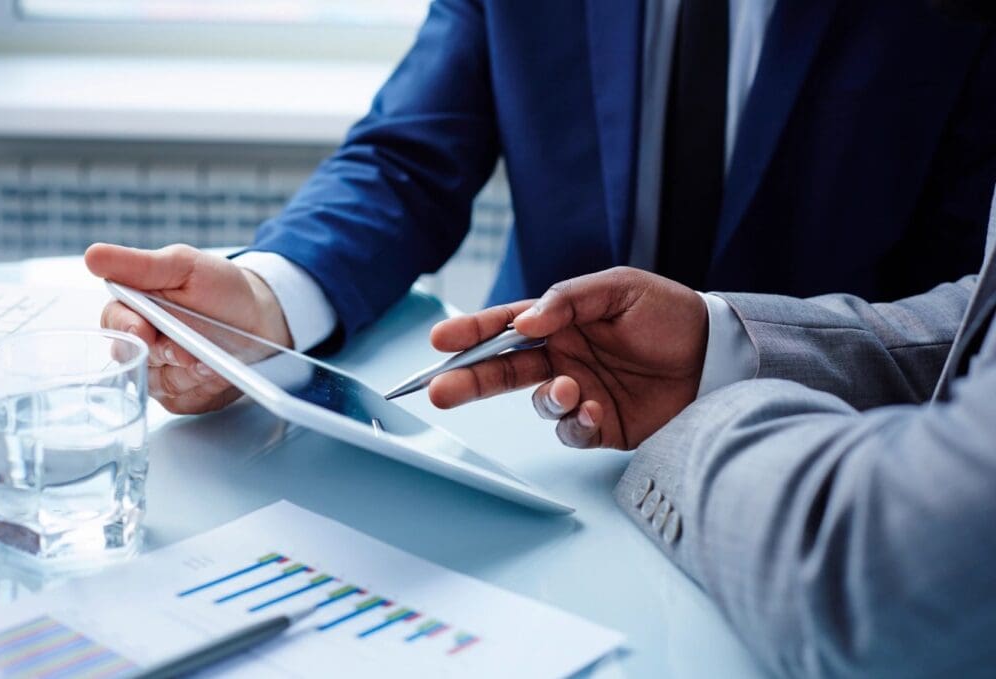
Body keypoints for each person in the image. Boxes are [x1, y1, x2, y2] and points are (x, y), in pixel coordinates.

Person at [422, 6, 996, 673]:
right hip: (541, 455)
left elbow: (886, 572)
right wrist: (720, 343)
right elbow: (974, 318)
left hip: (774, 544)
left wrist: (701, 399)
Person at [87, 0, 996, 414]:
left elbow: (958, 296)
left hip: (814, 442)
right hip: (526, 407)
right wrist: (266, 301)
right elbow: (408, 157)